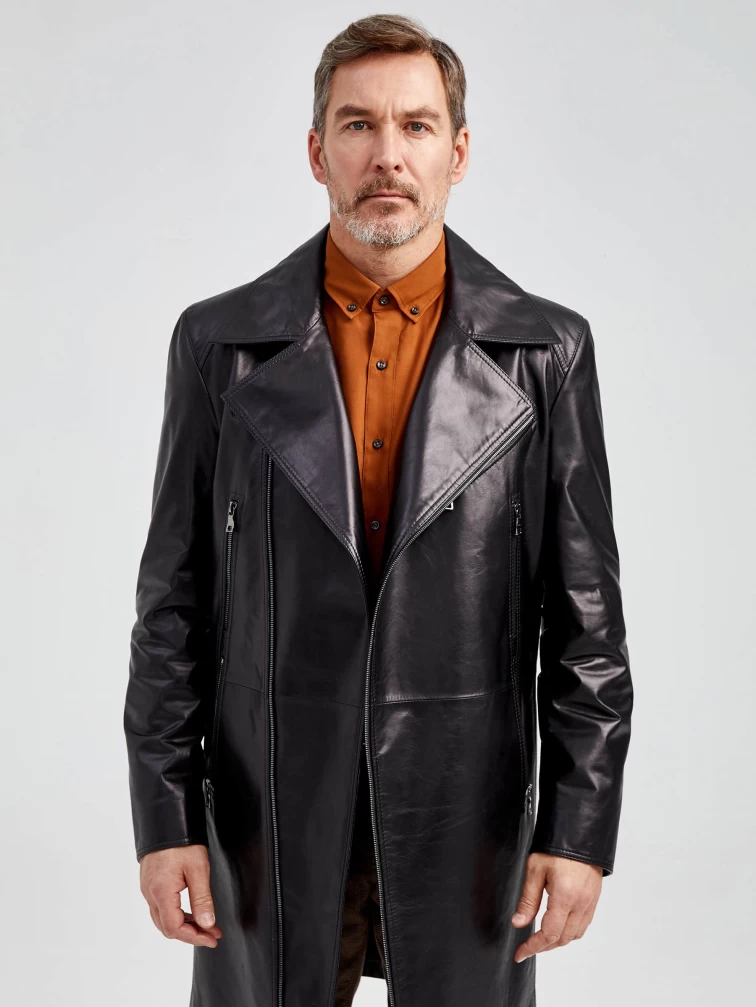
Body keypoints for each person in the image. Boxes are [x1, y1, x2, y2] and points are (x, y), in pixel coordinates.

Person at [123, 13, 633, 1007]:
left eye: (416, 125)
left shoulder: (546, 353)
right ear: (318, 152)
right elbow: (172, 604)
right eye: (358, 125)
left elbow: (587, 627)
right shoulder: (220, 347)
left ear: (458, 153)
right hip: (269, 814)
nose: (387, 155)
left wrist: (578, 831)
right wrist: (166, 818)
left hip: (466, 816)